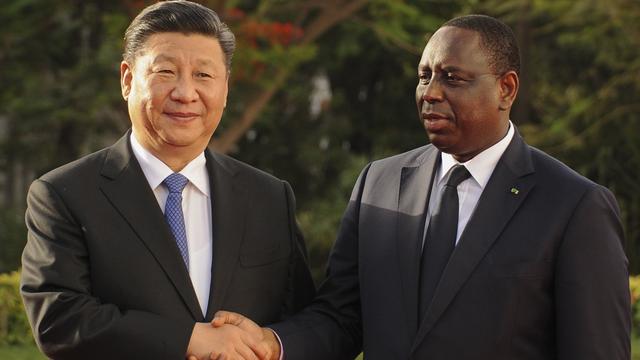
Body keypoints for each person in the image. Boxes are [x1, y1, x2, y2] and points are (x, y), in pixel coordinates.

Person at [214, 14, 631, 359]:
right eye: (424, 76)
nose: (430, 93)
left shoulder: (574, 205)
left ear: (506, 89)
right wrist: (273, 344)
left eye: (452, 78)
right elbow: (342, 318)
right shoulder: (379, 184)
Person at [20, 1, 315, 359]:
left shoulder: (269, 197)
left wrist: (271, 345)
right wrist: (189, 339)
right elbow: (59, 318)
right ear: (128, 80)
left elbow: (306, 319)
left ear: (225, 89)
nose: (185, 93)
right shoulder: (66, 194)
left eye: (204, 75)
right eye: (166, 72)